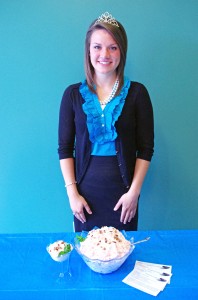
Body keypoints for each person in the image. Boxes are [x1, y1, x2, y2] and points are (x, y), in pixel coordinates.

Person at [58, 12, 154, 232]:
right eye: (97, 47)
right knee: (88, 254)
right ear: (88, 50)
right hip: (84, 197)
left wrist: (134, 194)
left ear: (122, 51)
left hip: (124, 197)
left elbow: (146, 149)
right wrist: (73, 195)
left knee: (122, 254)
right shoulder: (72, 95)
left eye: (113, 47)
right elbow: (65, 150)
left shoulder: (138, 93)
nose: (105, 54)